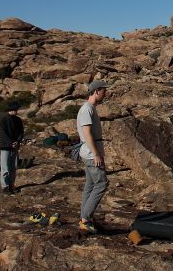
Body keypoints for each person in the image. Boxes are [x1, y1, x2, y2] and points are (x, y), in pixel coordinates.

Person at [77, 80, 110, 234]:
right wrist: (96, 154)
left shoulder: (90, 109)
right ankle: (86, 219)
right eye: (104, 91)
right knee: (101, 183)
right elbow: (87, 133)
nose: (105, 94)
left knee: (90, 185)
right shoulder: (86, 109)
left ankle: (84, 218)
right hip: (91, 154)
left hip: (90, 152)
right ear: (96, 91)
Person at [0, 102, 24, 194]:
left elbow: (21, 132)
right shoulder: (3, 120)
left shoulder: (18, 120)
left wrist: (18, 141)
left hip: (15, 146)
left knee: (13, 167)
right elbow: (3, 134)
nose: (16, 111)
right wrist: (10, 143)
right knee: (5, 167)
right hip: (5, 146)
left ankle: (11, 185)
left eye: (17, 109)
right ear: (10, 110)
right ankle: (5, 187)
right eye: (15, 109)